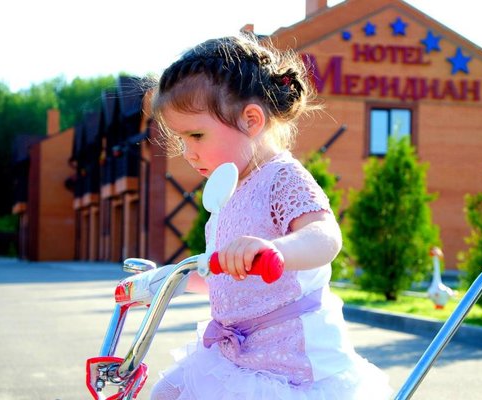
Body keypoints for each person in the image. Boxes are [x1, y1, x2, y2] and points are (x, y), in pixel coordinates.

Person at [149, 33, 392, 400]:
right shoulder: (228, 192)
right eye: (181, 139)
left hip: (289, 365)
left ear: (251, 120)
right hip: (238, 354)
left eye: (196, 135)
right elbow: (225, 277)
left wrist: (276, 250)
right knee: (166, 393)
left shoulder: (281, 178)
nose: (187, 152)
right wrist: (167, 282)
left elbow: (324, 235)